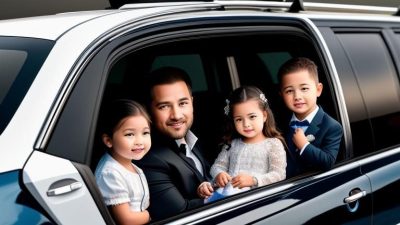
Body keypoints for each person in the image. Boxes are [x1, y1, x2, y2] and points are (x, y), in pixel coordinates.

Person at [135, 67, 212, 221]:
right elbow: (180, 213)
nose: (176, 115)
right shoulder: (148, 159)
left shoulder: (196, 139)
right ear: (149, 111)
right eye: (164, 106)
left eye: (183, 103)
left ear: (192, 102)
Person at [203, 86, 286, 201]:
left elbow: (278, 175)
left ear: (264, 116)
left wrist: (253, 180)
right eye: (239, 119)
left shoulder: (273, 144)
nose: (246, 124)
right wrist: (219, 174)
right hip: (227, 197)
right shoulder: (232, 144)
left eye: (252, 117)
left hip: (257, 200)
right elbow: (217, 166)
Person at [278, 57, 343, 178]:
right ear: (281, 95)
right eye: (289, 91)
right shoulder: (279, 123)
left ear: (318, 90)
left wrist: (304, 145)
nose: (297, 96)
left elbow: (327, 161)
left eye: (304, 88)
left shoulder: (331, 126)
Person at [95, 99, 151, 225]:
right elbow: (126, 220)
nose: (139, 141)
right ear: (109, 140)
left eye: (145, 133)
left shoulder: (132, 166)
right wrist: (148, 215)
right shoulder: (110, 173)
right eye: (130, 134)